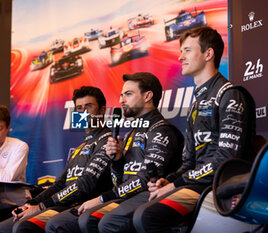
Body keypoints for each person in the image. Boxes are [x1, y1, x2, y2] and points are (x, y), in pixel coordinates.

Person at [133, 26, 256, 232]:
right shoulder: (195, 105)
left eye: (187, 50)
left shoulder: (230, 95)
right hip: (196, 183)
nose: (180, 57)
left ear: (209, 54)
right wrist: (168, 180)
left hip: (219, 185)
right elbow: (189, 162)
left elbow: (225, 161)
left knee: (145, 216)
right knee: (132, 212)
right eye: (181, 51)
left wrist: (176, 184)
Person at [45, 72, 184, 233]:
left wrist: (103, 198)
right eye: (121, 95)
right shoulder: (130, 133)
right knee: (71, 221)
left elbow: (144, 180)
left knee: (96, 221)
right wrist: (117, 161)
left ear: (148, 96)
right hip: (127, 196)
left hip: (149, 196)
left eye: (128, 94)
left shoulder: (161, 129)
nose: (121, 100)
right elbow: (120, 181)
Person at [0, 86, 113, 233]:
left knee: (24, 226)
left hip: (82, 206)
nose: (83, 112)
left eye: (89, 106)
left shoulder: (108, 142)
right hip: (62, 205)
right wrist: (32, 203)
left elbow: (83, 185)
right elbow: (59, 184)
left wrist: (42, 206)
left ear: (102, 111)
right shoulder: (81, 147)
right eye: (79, 108)